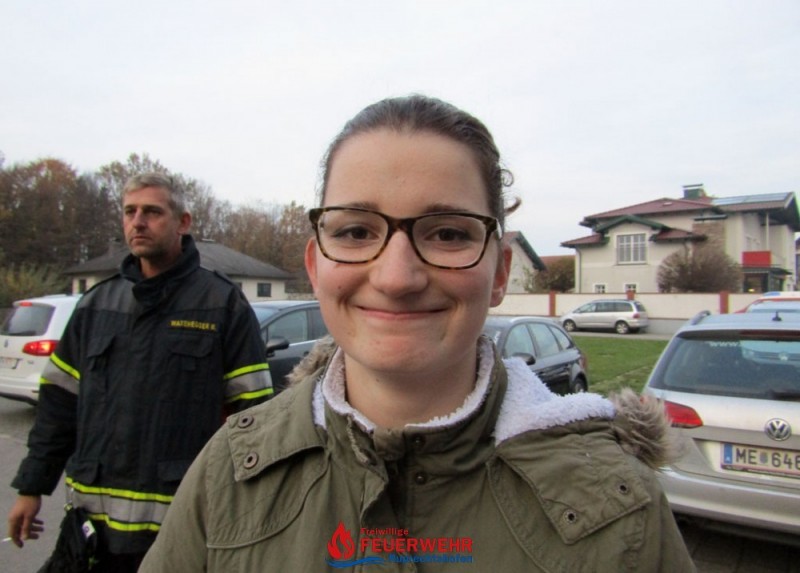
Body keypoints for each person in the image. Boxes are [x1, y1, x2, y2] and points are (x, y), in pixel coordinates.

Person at [139, 96, 696, 571]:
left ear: (500, 272)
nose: (396, 277)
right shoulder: (229, 472)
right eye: (356, 231)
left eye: (448, 233)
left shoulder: (621, 514)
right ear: (315, 265)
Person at [7, 172, 273, 571]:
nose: (138, 222)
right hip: (91, 536)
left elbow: (255, 420)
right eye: (130, 212)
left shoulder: (222, 305)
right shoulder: (96, 305)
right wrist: (31, 487)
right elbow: (58, 409)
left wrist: (256, 510)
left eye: (152, 212)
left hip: (178, 535)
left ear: (182, 222)